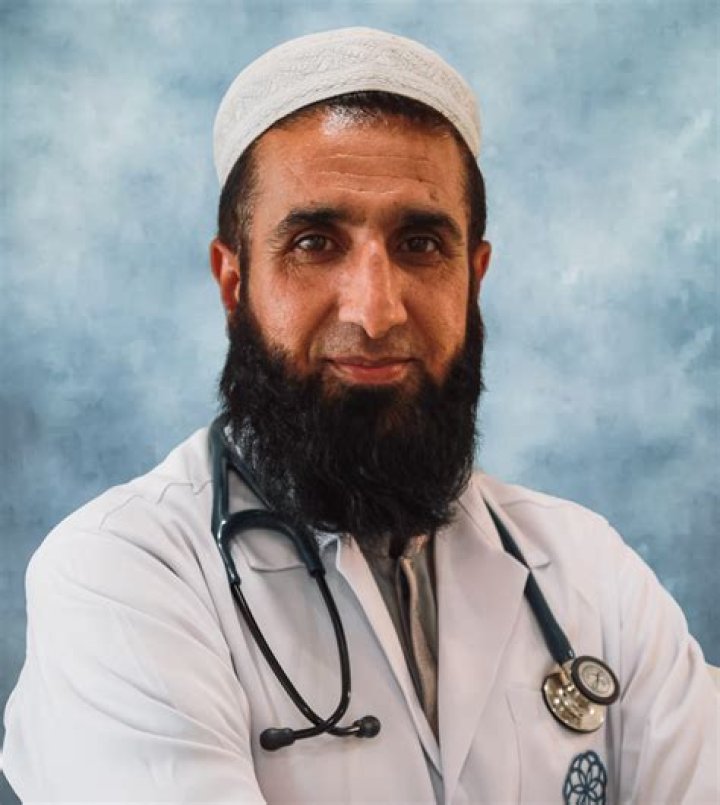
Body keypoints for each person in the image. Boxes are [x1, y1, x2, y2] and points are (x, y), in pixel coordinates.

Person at [3, 27, 717, 804]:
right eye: (315, 242)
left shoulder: (590, 570)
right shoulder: (120, 576)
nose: (375, 312)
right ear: (234, 282)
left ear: (474, 277)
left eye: (420, 243)